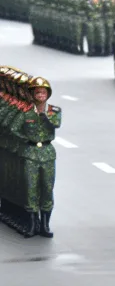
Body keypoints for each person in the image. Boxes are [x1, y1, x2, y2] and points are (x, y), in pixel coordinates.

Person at [19, 77, 61, 238]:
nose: (41, 95)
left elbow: (56, 124)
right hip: (30, 153)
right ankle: (32, 224)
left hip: (47, 152)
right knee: (31, 188)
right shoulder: (26, 112)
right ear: (33, 94)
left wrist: (45, 116)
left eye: (43, 92)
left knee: (47, 188)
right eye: (38, 92)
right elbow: (15, 128)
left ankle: (45, 225)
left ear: (48, 94)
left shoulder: (54, 111)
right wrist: (26, 139)